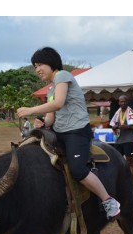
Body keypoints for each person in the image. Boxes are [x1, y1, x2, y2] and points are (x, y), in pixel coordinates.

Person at [17, 46, 120, 220]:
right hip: (60, 132)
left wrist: (30, 110)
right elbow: (51, 117)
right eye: (35, 66)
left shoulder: (62, 76)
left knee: (78, 170)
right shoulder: (51, 89)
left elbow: (58, 103)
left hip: (76, 132)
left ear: (52, 63)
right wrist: (42, 121)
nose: (37, 70)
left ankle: (108, 201)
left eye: (40, 64)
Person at [110, 95, 133, 178]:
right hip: (118, 140)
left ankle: (130, 182)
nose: (123, 103)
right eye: (121, 101)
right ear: (118, 102)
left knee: (129, 161)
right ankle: (121, 181)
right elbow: (113, 124)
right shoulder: (117, 113)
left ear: (127, 102)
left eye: (124, 101)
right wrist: (114, 127)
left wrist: (128, 127)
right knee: (117, 161)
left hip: (129, 140)